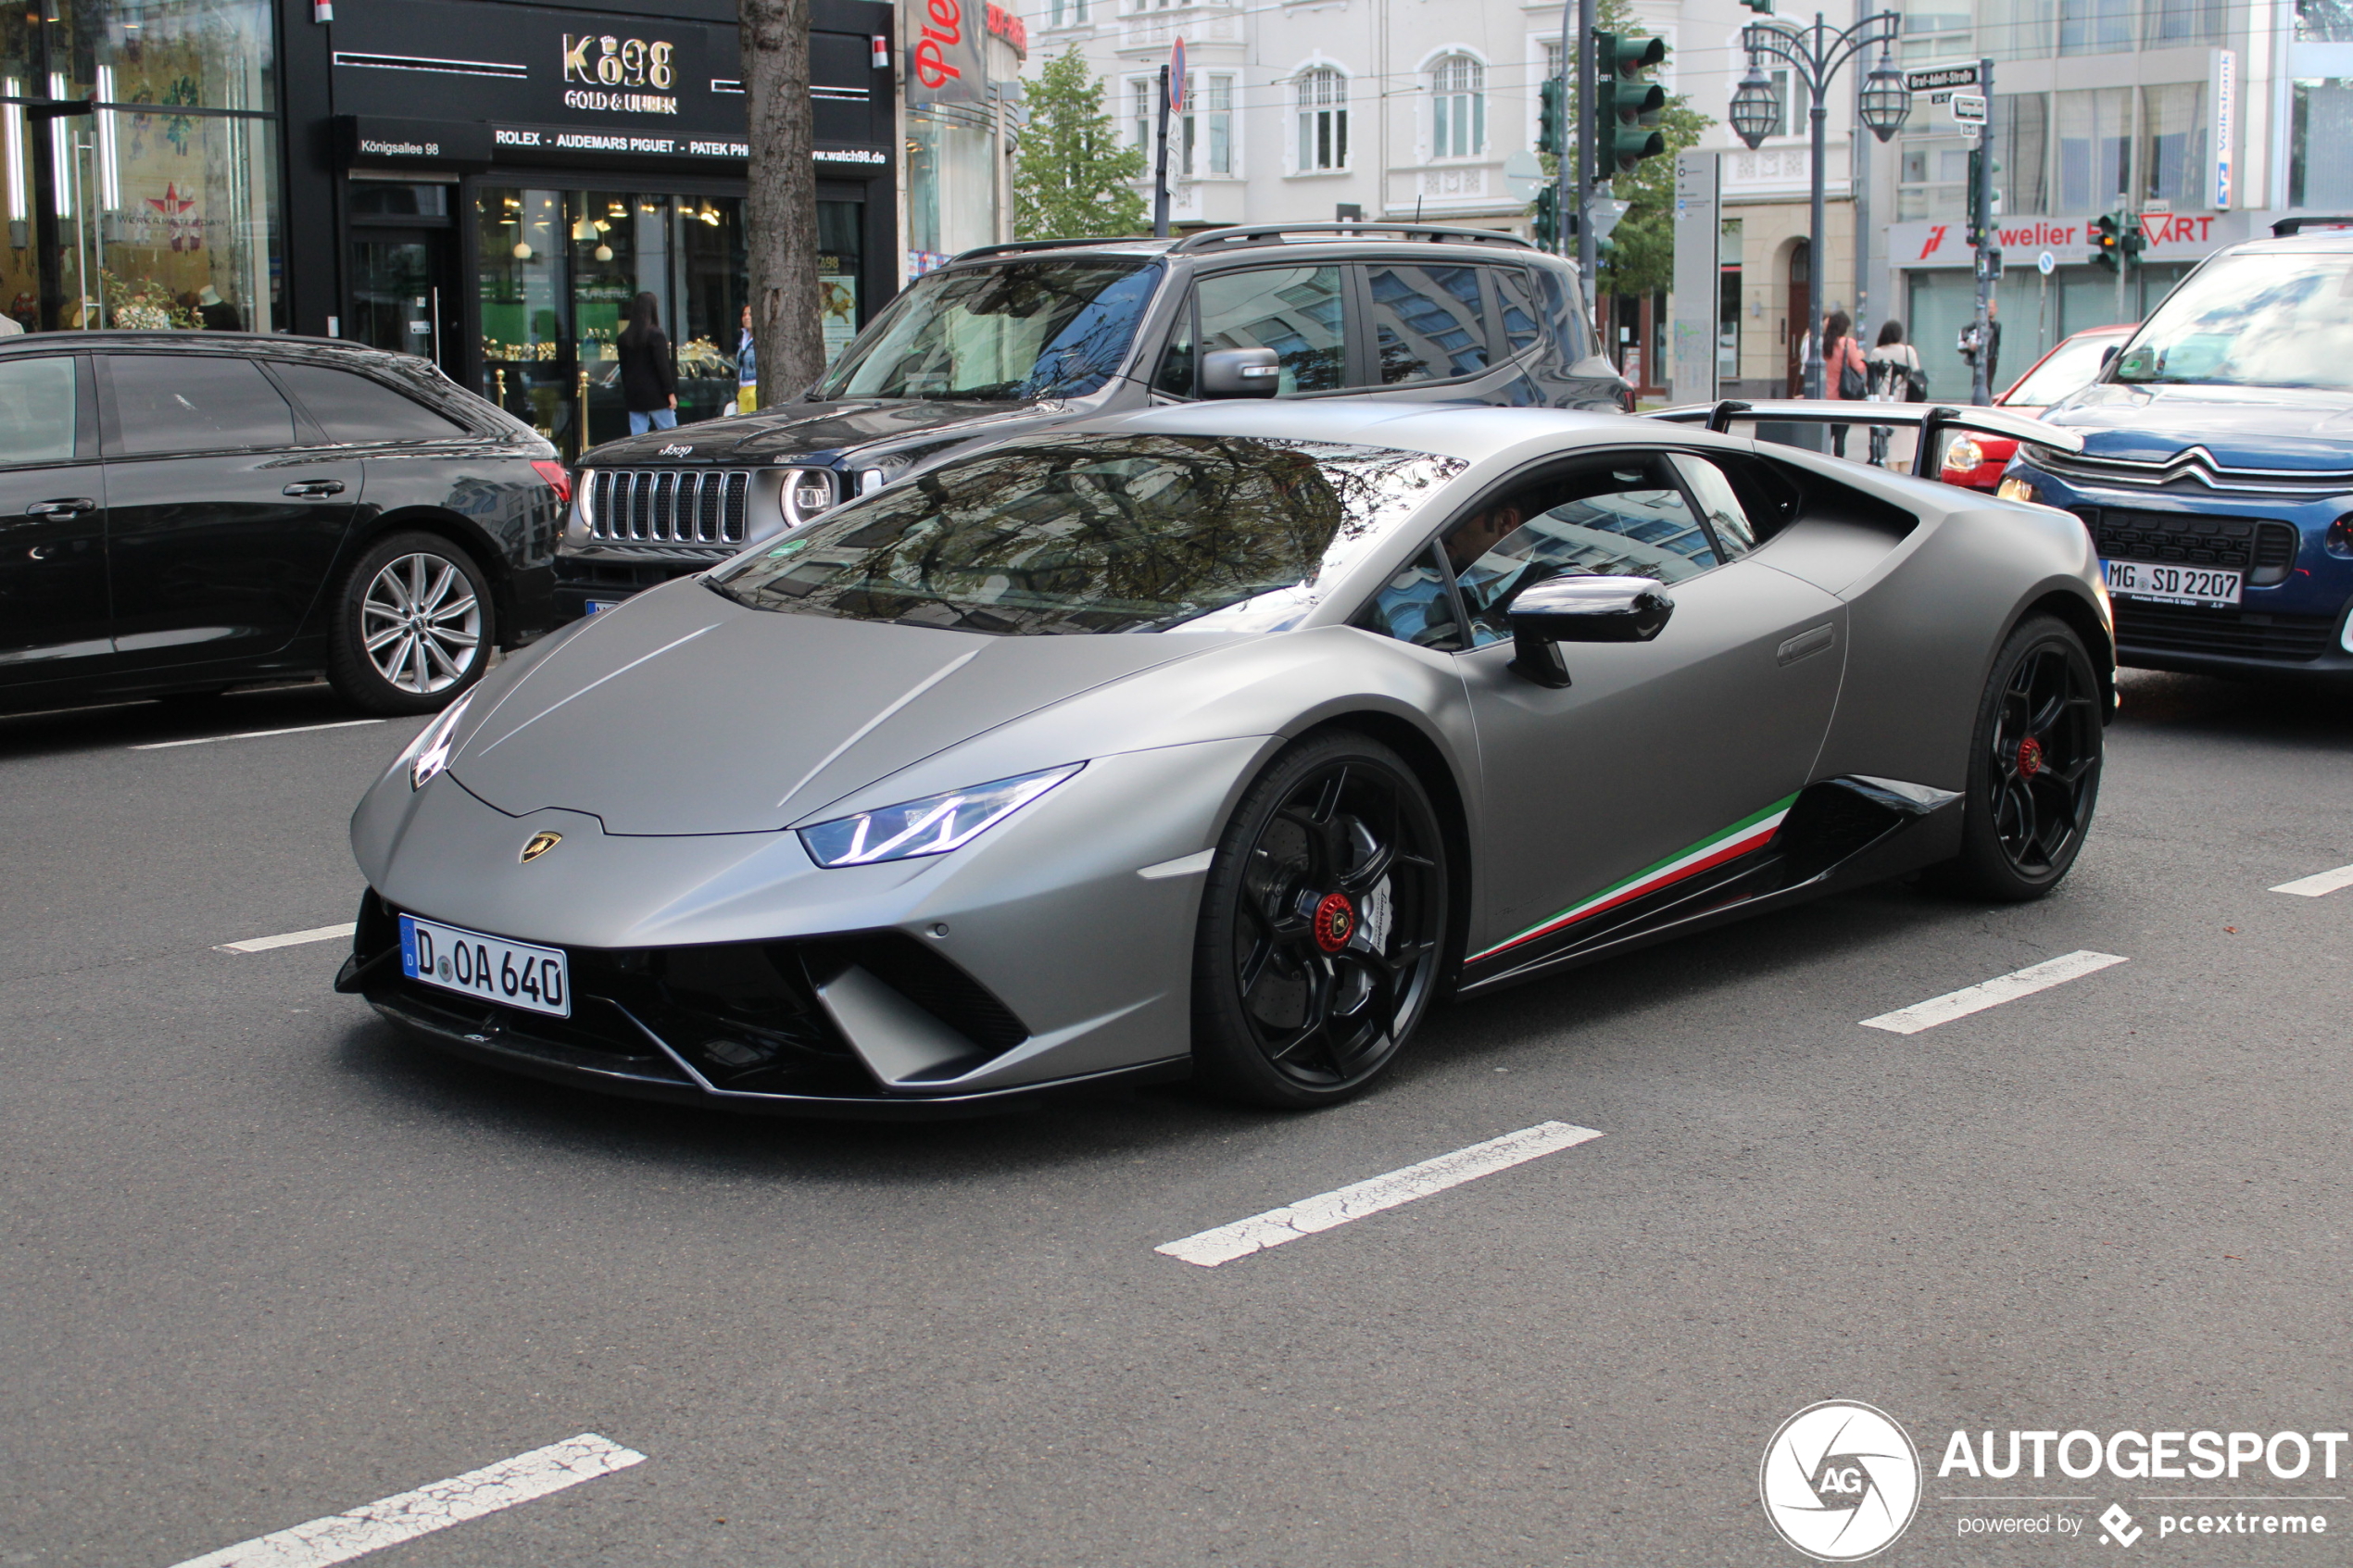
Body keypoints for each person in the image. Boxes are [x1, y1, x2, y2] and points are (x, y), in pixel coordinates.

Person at [616, 291, 679, 434]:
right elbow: (662, 366)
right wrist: (669, 392)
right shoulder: (656, 334)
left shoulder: (623, 338)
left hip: (634, 393)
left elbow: (624, 369)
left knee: (637, 436)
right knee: (670, 435)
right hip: (656, 393)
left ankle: (639, 457)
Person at [1865, 320, 1925, 467]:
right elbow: (1917, 374)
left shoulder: (1877, 353)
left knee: (1889, 444)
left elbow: (1872, 378)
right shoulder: (1908, 350)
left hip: (1885, 403)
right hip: (1906, 402)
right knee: (1906, 449)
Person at [1821, 310, 1867, 458]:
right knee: (1840, 439)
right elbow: (1858, 368)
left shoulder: (1823, 343)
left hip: (1823, 398)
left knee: (1825, 438)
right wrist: (1861, 357)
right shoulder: (1847, 343)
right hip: (1842, 397)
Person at [1958, 296, 2004, 395]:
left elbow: (1996, 341)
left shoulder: (1997, 325)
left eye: (1992, 308)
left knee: (1989, 382)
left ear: (1996, 309)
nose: (1991, 310)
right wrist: (1970, 342)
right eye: (1989, 308)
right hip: (1982, 356)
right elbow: (1965, 330)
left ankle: (1986, 399)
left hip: (1992, 357)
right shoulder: (1979, 323)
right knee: (1979, 381)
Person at [735, 302, 757, 415]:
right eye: (744, 315)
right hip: (743, 388)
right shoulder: (744, 339)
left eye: (750, 314)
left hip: (754, 388)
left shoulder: (759, 340)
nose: (746, 317)